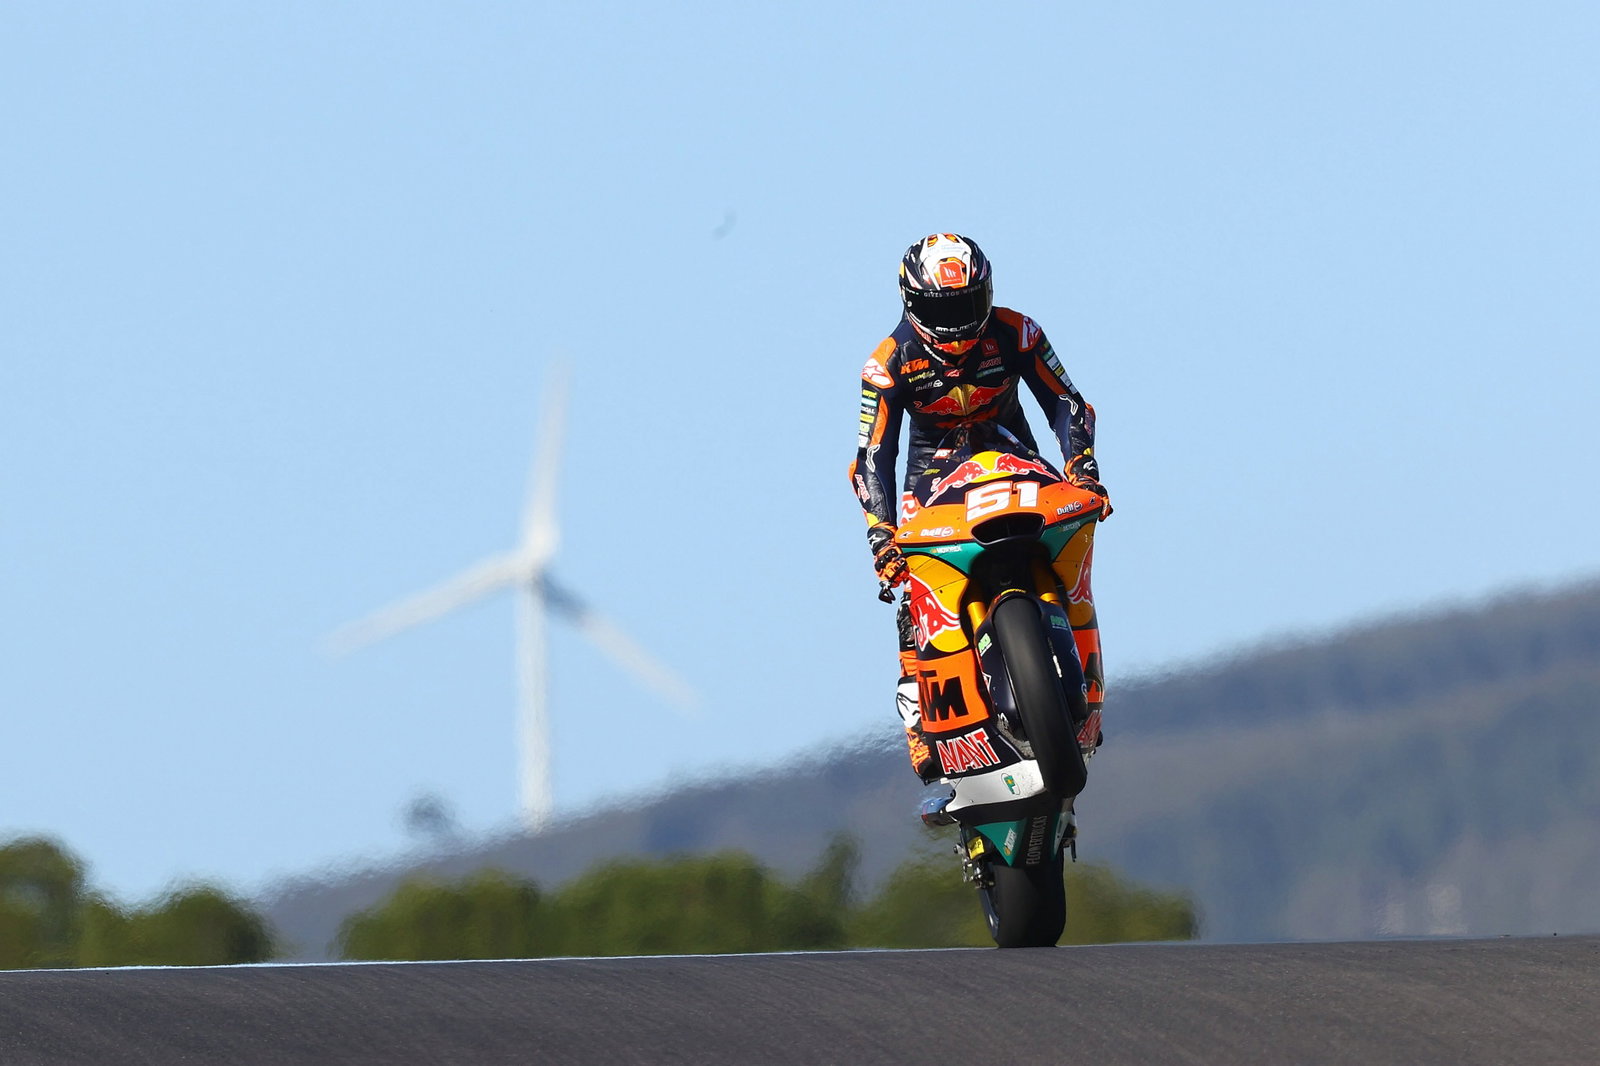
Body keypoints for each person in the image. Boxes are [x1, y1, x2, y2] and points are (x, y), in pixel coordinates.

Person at [847, 233, 1111, 783]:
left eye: (968, 304)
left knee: (1072, 545)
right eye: (943, 310)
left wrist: (1082, 468)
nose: (958, 323)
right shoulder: (885, 365)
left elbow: (1066, 402)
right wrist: (882, 534)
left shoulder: (1020, 331)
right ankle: (922, 721)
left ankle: (1080, 681)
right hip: (932, 485)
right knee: (915, 594)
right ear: (911, 303)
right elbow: (873, 455)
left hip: (1017, 464)